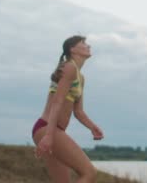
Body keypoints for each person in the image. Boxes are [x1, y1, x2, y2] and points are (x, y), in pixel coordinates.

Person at [32, 35, 104, 183]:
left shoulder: (80, 77)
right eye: (83, 43)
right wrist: (49, 136)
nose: (88, 45)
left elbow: (78, 111)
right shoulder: (69, 67)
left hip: (51, 130)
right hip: (47, 128)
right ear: (72, 49)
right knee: (89, 173)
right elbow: (57, 102)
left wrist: (92, 127)